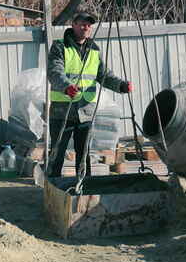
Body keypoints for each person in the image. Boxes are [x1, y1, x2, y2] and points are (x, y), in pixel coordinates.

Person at [47, 12, 132, 178]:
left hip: (86, 111)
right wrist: (66, 87)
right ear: (73, 25)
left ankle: (85, 186)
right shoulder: (60, 46)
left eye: (89, 25)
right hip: (62, 111)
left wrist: (121, 85)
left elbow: (104, 75)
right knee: (57, 153)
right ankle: (52, 187)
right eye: (82, 24)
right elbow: (54, 71)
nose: (86, 27)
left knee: (84, 154)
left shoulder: (94, 50)